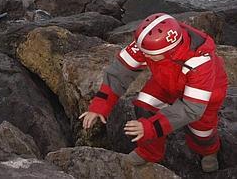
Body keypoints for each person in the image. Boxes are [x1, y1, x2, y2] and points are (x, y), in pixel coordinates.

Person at [79, 13, 228, 173]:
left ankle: (209, 151)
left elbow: (192, 109)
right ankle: (150, 152)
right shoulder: (148, 45)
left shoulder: (200, 62)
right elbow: (120, 72)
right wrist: (100, 106)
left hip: (207, 93)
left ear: (171, 50)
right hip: (165, 81)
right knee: (144, 105)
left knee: (201, 131)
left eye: (150, 55)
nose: (144, 55)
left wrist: (151, 127)